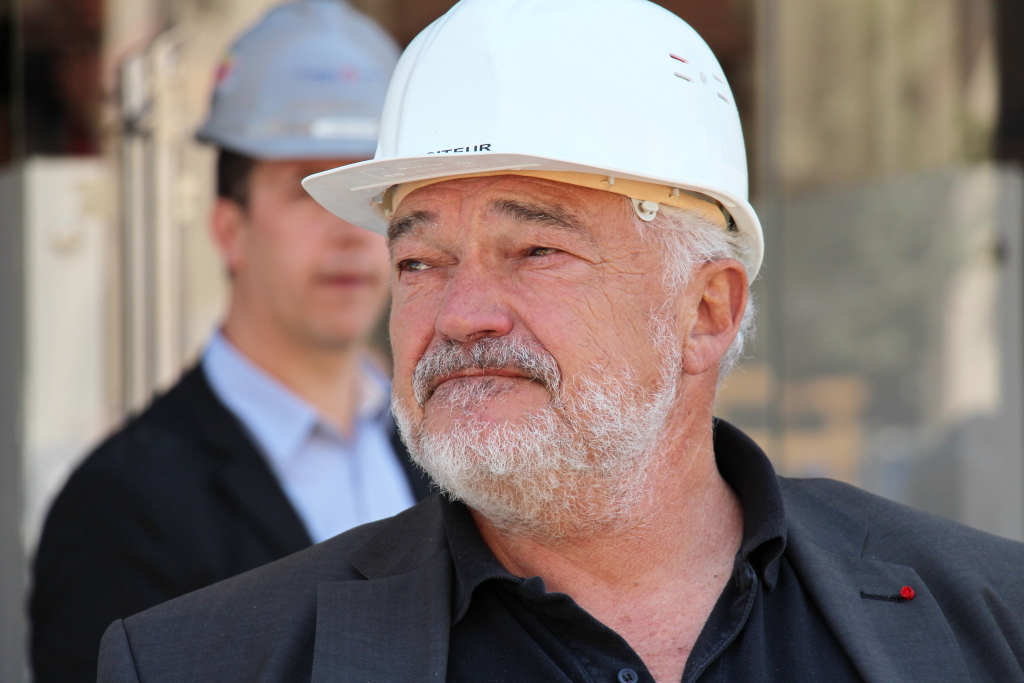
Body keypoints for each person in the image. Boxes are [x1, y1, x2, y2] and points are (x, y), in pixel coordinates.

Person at [97, 1, 1024, 681]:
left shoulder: (990, 619)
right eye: (419, 261)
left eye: (535, 249)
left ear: (707, 309)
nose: (461, 314)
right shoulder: (204, 662)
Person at [31, 2, 432, 682]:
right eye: (306, 190)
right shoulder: (117, 508)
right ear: (228, 229)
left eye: (366, 193)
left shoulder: (444, 449)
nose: (347, 233)